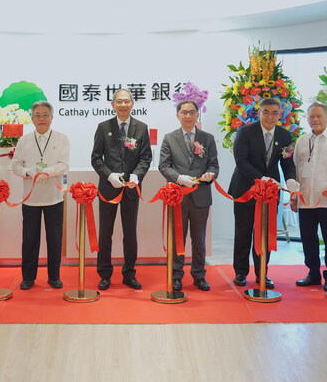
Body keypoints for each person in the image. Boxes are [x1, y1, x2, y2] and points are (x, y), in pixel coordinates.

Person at [228, 97, 298, 288]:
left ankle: (262, 273)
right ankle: (241, 272)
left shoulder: (285, 135)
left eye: (274, 113)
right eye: (266, 112)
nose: (270, 117)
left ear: (280, 115)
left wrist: (291, 181)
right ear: (258, 113)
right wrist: (262, 179)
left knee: (265, 234)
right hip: (245, 189)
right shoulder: (245, 132)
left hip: (270, 194)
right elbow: (241, 161)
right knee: (243, 233)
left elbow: (287, 162)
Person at [91, 88, 152, 290]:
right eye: (119, 101)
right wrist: (109, 175)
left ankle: (129, 274)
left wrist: (136, 175)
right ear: (113, 104)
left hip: (131, 189)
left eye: (127, 101)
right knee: (105, 233)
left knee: (130, 233)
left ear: (132, 104)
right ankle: (104, 274)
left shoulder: (141, 128)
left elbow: (145, 158)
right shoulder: (103, 127)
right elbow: (96, 158)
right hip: (108, 188)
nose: (123, 105)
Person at [158, 100, 219, 291]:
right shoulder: (169, 138)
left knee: (199, 239)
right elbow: (164, 165)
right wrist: (179, 178)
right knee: (177, 237)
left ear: (197, 115)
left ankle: (199, 275)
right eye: (184, 112)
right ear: (178, 115)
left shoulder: (207, 138)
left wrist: (210, 175)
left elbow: (213, 164)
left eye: (192, 112)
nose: (188, 116)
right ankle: (176, 275)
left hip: (201, 196)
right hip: (178, 196)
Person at [291, 102, 327, 291]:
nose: (315, 120)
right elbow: (296, 169)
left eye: (319, 116)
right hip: (305, 199)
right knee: (308, 238)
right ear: (307, 118)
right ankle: (313, 273)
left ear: (326, 118)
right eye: (311, 116)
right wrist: (294, 194)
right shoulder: (301, 140)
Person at [12, 101, 70, 290]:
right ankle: (28, 277)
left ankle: (54, 277)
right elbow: (15, 165)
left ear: (52, 117)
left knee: (54, 239)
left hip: (54, 197)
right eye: (37, 115)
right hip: (31, 198)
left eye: (45, 115)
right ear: (32, 118)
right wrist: (28, 172)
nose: (42, 119)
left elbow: (64, 164)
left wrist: (48, 172)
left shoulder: (62, 138)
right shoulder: (24, 140)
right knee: (29, 239)